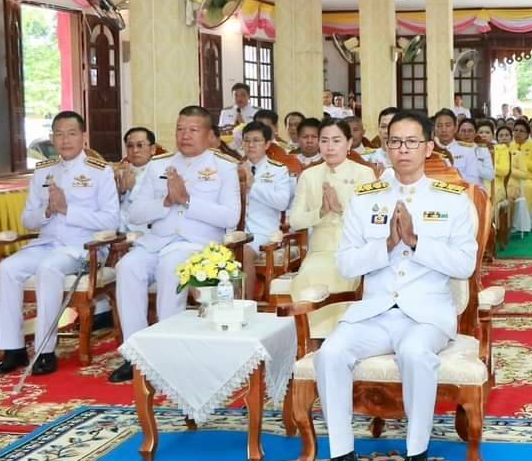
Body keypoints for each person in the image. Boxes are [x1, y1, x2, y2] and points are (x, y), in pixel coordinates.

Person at [314, 110, 478, 461]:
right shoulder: (364, 199)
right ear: (385, 146)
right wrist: (386, 244)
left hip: (426, 314)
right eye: (395, 142)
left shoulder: (452, 200)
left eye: (411, 142)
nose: (402, 150)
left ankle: (415, 454)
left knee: (415, 351)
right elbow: (346, 263)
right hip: (375, 311)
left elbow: (464, 264)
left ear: (428, 147)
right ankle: (341, 455)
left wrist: (417, 241)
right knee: (331, 353)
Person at [110, 106, 241, 383]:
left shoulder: (224, 168)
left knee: (172, 267)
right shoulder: (159, 165)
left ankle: (169, 353)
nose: (185, 135)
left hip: (198, 245)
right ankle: (135, 354)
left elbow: (231, 216)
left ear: (208, 135)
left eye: (193, 130)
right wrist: (166, 202)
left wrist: (188, 201)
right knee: (127, 267)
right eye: (180, 129)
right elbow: (136, 213)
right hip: (156, 242)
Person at [0, 112, 119, 376]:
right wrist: (48, 212)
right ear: (51, 138)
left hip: (81, 247)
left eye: (71, 133)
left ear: (83, 137)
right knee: (7, 269)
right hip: (47, 243)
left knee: (49, 269)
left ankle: (44, 351)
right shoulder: (43, 171)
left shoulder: (100, 171)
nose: (65, 140)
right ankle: (13, 349)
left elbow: (111, 220)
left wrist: (66, 209)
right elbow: (27, 219)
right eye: (59, 134)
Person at [288, 118, 376, 332]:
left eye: (336, 140)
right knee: (310, 274)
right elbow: (295, 221)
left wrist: (340, 209)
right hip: (320, 249)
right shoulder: (309, 176)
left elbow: (373, 221)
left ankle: (339, 336)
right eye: (324, 140)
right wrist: (321, 211)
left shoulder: (364, 174)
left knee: (338, 272)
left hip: (353, 247)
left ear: (348, 143)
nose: (329, 147)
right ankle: (309, 338)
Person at [239, 122, 295, 300]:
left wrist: (253, 185)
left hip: (262, 232)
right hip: (235, 231)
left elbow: (281, 202)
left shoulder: (278, 170)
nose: (251, 145)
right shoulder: (234, 168)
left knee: (243, 252)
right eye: (247, 141)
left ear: (267, 144)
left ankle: (245, 303)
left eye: (256, 141)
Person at [117, 127, 157, 234]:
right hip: (120, 230)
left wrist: (133, 189)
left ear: (152, 149)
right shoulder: (119, 171)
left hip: (146, 231)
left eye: (140, 145)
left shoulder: (160, 172)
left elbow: (157, 206)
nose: (135, 150)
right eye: (130, 146)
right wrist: (121, 193)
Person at [508, 120, 532, 233]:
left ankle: (523, 224)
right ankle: (510, 223)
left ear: (527, 134)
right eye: (516, 130)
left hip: (528, 178)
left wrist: (522, 161)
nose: (518, 133)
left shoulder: (531, 146)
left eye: (522, 131)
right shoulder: (510, 145)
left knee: (527, 188)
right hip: (511, 178)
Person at [433, 109, 481, 187]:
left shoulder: (468, 151)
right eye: (439, 126)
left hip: (461, 194)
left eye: (448, 125)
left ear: (455, 128)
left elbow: (474, 182)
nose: (444, 130)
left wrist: (452, 171)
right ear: (434, 129)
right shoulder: (429, 152)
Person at [457, 118, 494, 192]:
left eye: (470, 131)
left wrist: (473, 160)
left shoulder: (482, 150)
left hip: (477, 191)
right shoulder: (452, 150)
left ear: (475, 133)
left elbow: (490, 175)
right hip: (458, 190)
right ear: (458, 133)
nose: (466, 134)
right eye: (463, 131)